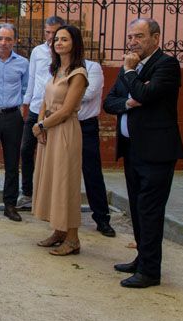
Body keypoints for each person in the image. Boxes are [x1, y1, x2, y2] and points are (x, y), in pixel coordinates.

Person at [103, 17, 183, 288]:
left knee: (150, 210)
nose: (132, 42)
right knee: (138, 209)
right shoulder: (133, 67)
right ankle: (143, 258)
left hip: (157, 152)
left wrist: (130, 75)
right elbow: (110, 103)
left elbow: (147, 96)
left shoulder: (167, 65)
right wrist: (129, 100)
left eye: (138, 36)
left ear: (156, 38)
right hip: (133, 150)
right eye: (130, 37)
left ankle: (151, 272)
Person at [32, 25, 88, 255]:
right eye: (56, 39)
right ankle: (59, 231)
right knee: (52, 180)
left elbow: (66, 110)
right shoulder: (56, 70)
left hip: (64, 131)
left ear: (74, 42)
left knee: (66, 183)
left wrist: (43, 124)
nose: (59, 43)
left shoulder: (78, 74)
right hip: (49, 130)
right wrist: (40, 123)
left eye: (64, 39)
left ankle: (73, 238)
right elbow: (46, 100)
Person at [19, 16, 64, 209]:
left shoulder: (65, 51)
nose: (51, 37)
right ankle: (27, 193)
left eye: (55, 33)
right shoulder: (38, 51)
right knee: (26, 150)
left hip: (55, 111)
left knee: (53, 155)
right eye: (48, 32)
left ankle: (51, 196)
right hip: (36, 108)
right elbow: (31, 78)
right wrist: (26, 102)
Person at [0, 23, 28, 222]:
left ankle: (10, 205)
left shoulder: (23, 63)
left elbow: (26, 89)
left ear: (14, 41)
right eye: (0, 38)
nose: (3, 43)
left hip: (13, 117)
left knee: (12, 163)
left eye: (8, 39)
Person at [79, 59, 116, 237]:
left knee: (92, 173)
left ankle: (102, 218)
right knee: (61, 172)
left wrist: (62, 92)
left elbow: (88, 94)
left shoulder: (92, 67)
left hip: (85, 126)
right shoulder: (57, 67)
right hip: (62, 123)